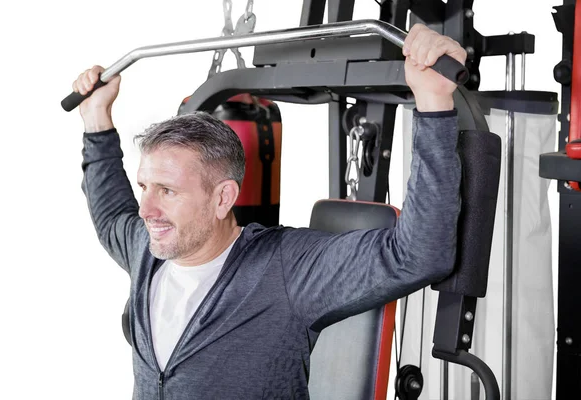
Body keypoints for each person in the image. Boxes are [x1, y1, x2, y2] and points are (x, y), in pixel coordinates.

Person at [73, 23, 466, 399]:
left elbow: (417, 256)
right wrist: (96, 118)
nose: (147, 209)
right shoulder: (150, 248)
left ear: (223, 198)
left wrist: (433, 104)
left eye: (167, 191)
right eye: (144, 186)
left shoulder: (285, 270)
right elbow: (111, 216)